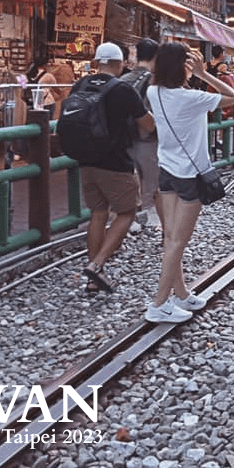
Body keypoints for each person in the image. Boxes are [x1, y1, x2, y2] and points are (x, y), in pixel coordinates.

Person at [145, 43, 234, 323]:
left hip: (167, 170)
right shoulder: (193, 98)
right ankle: (159, 304)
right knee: (178, 241)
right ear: (182, 68)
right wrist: (205, 73)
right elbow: (232, 97)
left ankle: (181, 293)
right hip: (190, 175)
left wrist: (195, 71)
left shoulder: (154, 92)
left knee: (170, 238)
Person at [74, 42, 155, 293]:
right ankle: (97, 265)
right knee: (127, 213)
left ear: (97, 61)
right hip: (116, 162)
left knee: (98, 214)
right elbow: (149, 125)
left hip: (86, 159)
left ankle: (92, 277)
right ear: (120, 64)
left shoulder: (80, 85)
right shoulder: (121, 89)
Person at [121, 38, 161, 227]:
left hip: (123, 139)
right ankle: (147, 216)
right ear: (155, 57)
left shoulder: (123, 79)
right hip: (147, 139)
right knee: (151, 183)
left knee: (130, 179)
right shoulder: (153, 81)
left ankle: (130, 218)